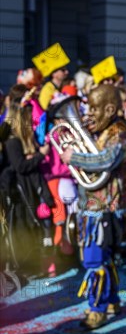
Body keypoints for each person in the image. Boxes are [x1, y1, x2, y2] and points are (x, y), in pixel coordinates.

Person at [59, 84, 126, 329]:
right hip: (96, 206)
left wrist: (74, 157)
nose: (88, 114)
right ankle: (111, 300)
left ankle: (96, 309)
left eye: (94, 108)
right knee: (104, 258)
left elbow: (107, 160)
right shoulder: (101, 130)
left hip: (103, 208)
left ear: (110, 109)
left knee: (94, 260)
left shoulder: (119, 132)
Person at [2, 85, 54, 275]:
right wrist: (40, 155)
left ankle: (33, 265)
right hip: (18, 191)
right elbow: (20, 166)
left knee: (33, 227)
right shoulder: (12, 140)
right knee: (22, 228)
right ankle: (23, 267)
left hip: (28, 188)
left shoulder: (22, 139)